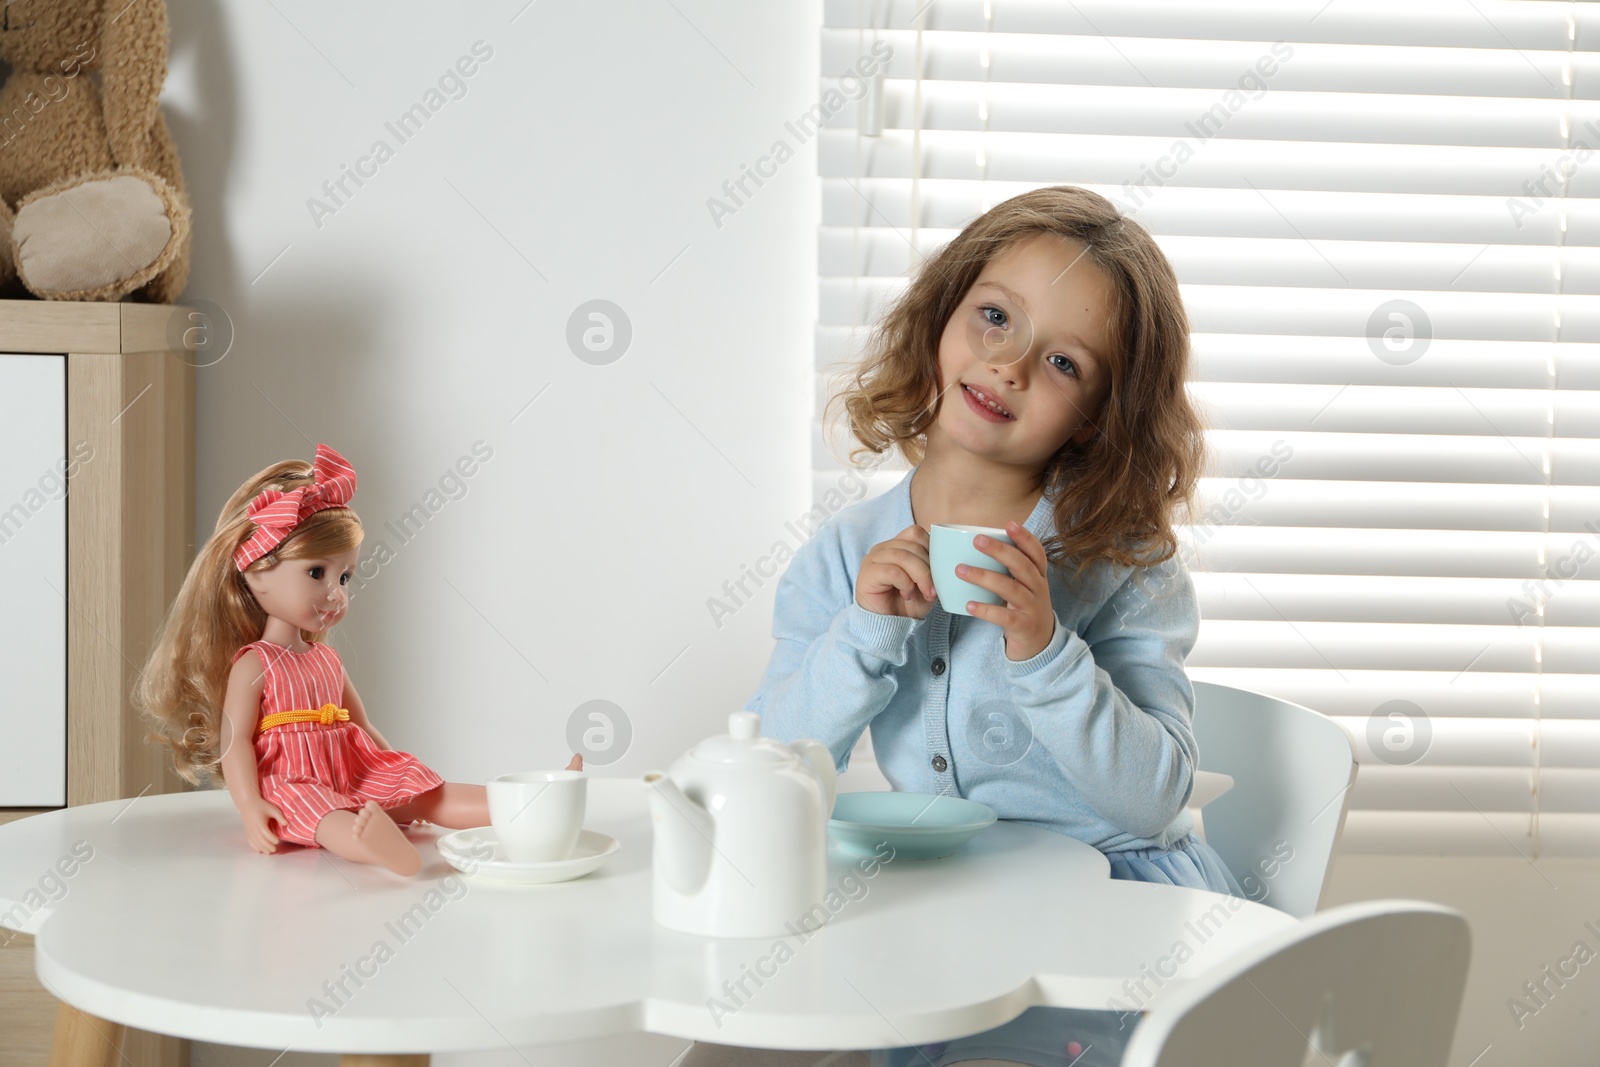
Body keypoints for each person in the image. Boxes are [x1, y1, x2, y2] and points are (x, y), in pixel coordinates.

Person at [686, 186, 1237, 1066]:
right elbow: (773, 762)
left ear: (1100, 416)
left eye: (1064, 363)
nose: (1010, 364)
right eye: (994, 317)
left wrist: (1045, 651)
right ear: (943, 315)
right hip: (960, 903)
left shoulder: (1122, 560)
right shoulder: (844, 557)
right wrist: (864, 634)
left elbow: (1153, 795)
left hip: (1119, 908)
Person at [136, 442, 580, 876]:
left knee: (432, 794)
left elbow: (362, 725)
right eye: (317, 573)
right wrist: (250, 805)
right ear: (256, 571)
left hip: (351, 765)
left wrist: (399, 772)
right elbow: (234, 744)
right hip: (293, 780)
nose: (336, 593)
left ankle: (531, 801)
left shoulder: (325, 658)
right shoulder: (254, 664)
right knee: (323, 816)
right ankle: (378, 848)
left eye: (344, 576)